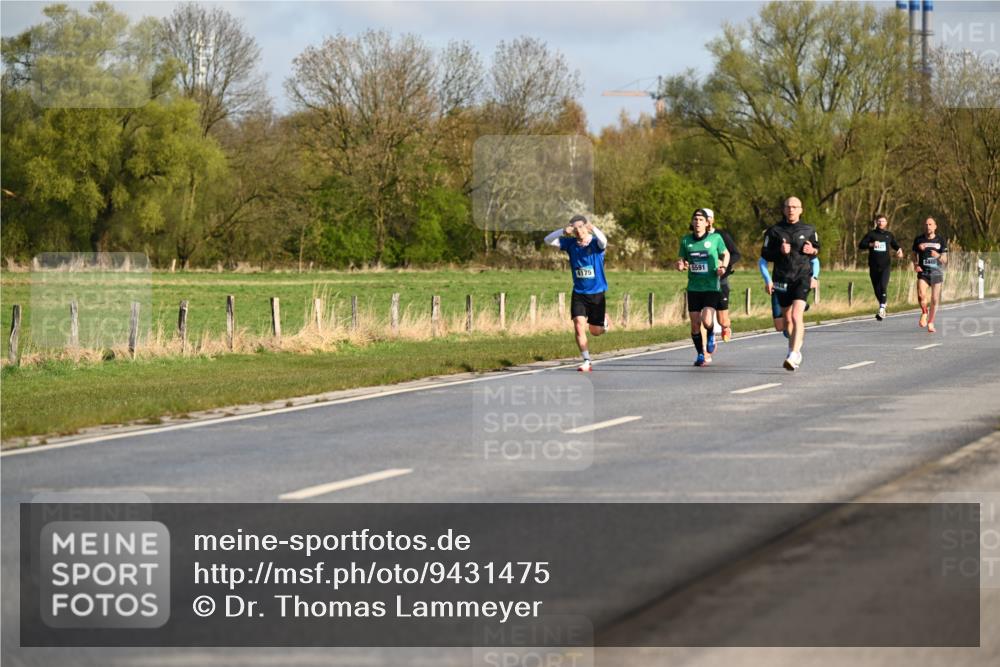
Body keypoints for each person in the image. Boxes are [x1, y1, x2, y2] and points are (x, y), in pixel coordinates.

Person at [760, 196, 820, 371]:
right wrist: (779, 252)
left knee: (796, 316)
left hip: (802, 277)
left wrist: (812, 252)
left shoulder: (809, 230)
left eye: (795, 207)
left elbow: (816, 252)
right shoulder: (774, 231)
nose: (791, 210)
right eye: (788, 207)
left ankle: (793, 354)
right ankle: (794, 350)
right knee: (786, 320)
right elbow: (764, 256)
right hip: (781, 278)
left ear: (801, 210)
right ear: (783, 209)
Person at [545, 214, 610, 371]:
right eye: (575, 228)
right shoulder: (570, 244)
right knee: (578, 325)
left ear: (586, 227)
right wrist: (562, 231)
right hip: (579, 292)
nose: (578, 231)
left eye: (581, 227)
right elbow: (547, 240)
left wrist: (594, 228)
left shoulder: (595, 244)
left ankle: (605, 323)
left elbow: (604, 241)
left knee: (595, 331)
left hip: (596, 292)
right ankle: (587, 360)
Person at [677, 209, 730, 367]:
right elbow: (681, 259)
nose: (698, 222)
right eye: (695, 219)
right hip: (693, 287)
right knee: (694, 324)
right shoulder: (686, 240)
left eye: (701, 219)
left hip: (711, 286)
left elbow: (726, 253)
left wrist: (723, 267)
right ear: (692, 223)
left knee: (707, 320)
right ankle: (701, 354)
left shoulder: (715, 238)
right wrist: (680, 264)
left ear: (707, 223)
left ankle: (712, 332)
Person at [759, 255, 820, 337]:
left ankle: (794, 348)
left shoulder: (800, 243)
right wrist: (768, 281)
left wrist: (814, 277)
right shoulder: (776, 244)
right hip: (779, 286)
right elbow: (762, 261)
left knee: (794, 319)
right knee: (780, 326)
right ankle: (799, 308)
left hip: (797, 285)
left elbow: (815, 261)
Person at [704, 209, 741, 342]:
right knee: (704, 316)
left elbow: (736, 254)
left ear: (712, 220)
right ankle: (709, 338)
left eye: (707, 218)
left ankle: (726, 327)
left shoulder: (721, 235)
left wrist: (723, 264)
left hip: (721, 280)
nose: (704, 221)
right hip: (702, 282)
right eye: (701, 218)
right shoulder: (694, 238)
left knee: (722, 320)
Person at [858, 213, 904, 320]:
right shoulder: (871, 234)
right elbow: (861, 245)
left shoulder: (889, 235)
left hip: (885, 266)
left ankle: (882, 309)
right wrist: (871, 244)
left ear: (886, 223)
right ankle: (883, 303)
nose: (881, 223)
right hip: (873, 266)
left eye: (883, 221)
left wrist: (899, 250)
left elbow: (895, 245)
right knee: (877, 289)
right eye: (879, 221)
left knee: (883, 286)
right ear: (876, 222)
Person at [912, 216, 948, 334]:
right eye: (926, 224)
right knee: (921, 295)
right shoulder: (918, 239)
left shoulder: (941, 240)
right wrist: (916, 264)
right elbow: (913, 254)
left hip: (936, 273)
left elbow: (945, 260)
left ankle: (931, 322)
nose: (928, 226)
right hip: (923, 272)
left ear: (935, 226)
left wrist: (937, 256)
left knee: (934, 299)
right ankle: (924, 312)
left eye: (930, 224)